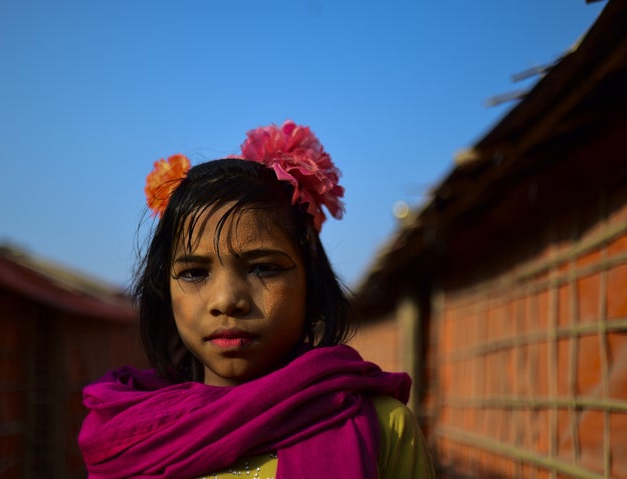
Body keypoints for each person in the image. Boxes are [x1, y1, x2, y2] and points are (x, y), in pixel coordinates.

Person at [78, 121, 435, 478]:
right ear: (163, 289)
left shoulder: (382, 428)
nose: (227, 300)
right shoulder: (126, 438)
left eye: (263, 268)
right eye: (194, 273)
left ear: (310, 281)